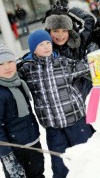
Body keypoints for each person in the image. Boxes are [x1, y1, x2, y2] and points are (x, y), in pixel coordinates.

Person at [17, 29, 94, 178]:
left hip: (77, 121)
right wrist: (19, 62)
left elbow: (87, 67)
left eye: (48, 43)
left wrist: (93, 53)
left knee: (87, 158)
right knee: (60, 166)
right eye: (41, 45)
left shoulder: (64, 63)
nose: (46, 46)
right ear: (33, 49)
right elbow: (11, 76)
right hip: (53, 127)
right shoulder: (28, 70)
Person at [0, 44, 45, 178]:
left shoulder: (19, 82)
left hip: (33, 142)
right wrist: (7, 157)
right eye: (1, 64)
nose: (7, 67)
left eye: (10, 62)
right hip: (15, 150)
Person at [43, 1, 98, 101]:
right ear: (49, 32)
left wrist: (70, 11)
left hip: (91, 95)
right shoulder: (46, 51)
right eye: (55, 31)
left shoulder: (78, 42)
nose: (60, 35)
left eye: (64, 30)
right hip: (69, 102)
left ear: (70, 31)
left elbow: (89, 20)